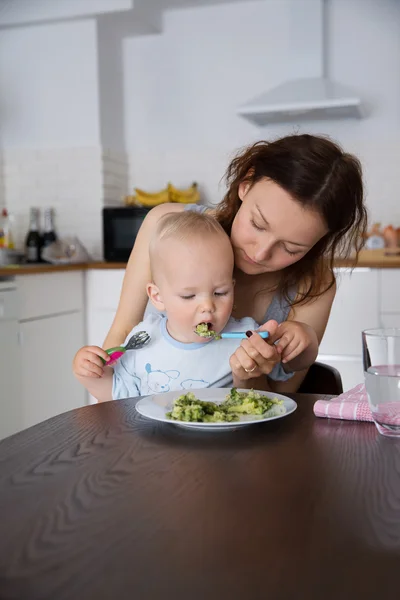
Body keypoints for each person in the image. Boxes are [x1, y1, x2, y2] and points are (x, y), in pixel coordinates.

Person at [77, 134, 367, 394]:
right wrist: (97, 376)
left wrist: (254, 373)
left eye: (292, 248)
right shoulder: (166, 226)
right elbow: (123, 334)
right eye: (257, 224)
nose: (262, 252)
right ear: (246, 184)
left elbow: (280, 398)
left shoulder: (315, 283)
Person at [74, 211, 289, 402]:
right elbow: (118, 397)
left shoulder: (248, 337)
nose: (207, 306)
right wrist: (89, 373)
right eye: (188, 296)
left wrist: (296, 343)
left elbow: (284, 372)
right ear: (158, 297)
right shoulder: (143, 340)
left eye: (220, 293)